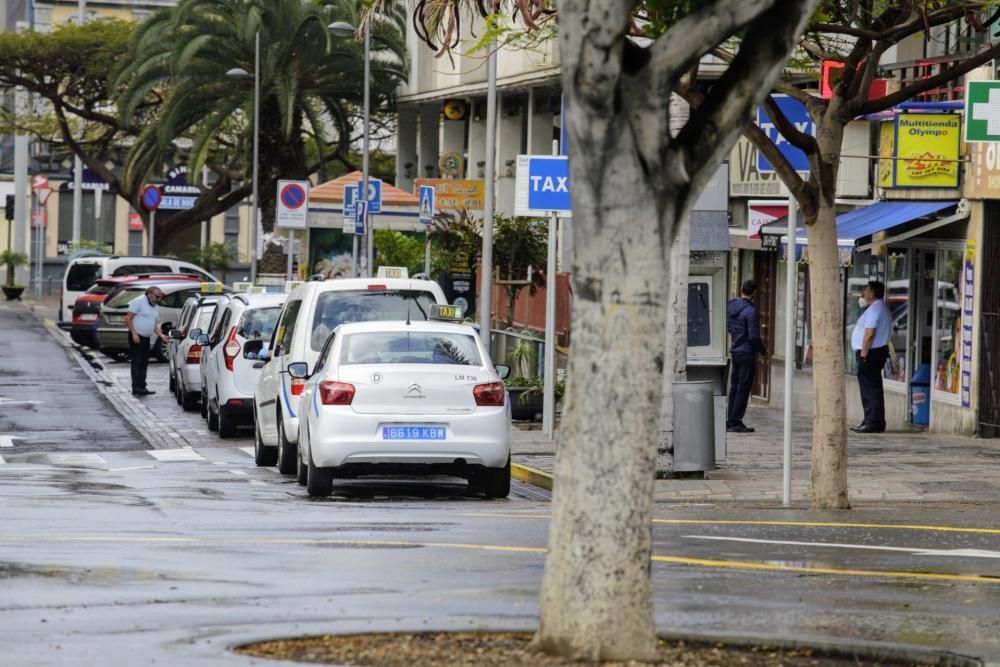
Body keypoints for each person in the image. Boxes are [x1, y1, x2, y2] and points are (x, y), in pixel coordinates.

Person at [850, 280, 891, 433]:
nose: (863, 293)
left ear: (872, 293)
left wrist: (863, 355)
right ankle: (873, 419)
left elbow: (869, 334)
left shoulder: (876, 309)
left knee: (869, 388)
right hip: (876, 352)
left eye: (866, 290)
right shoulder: (878, 307)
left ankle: (872, 422)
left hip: (870, 353)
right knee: (873, 387)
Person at [726, 280, 767, 433]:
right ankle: (736, 421)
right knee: (743, 387)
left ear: (742, 289)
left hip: (735, 351)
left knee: (735, 387)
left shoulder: (731, 306)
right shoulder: (751, 311)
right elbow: (754, 336)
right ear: (754, 294)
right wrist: (762, 350)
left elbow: (729, 327)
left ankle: (730, 419)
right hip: (747, 352)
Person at [125, 286, 169, 397]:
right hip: (136, 336)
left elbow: (153, 324)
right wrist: (134, 333)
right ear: (150, 295)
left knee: (144, 362)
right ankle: (136, 387)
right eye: (157, 297)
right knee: (137, 362)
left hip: (146, 337)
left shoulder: (155, 307)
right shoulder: (138, 302)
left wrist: (161, 335)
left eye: (160, 297)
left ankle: (142, 386)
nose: (159, 299)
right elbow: (128, 318)